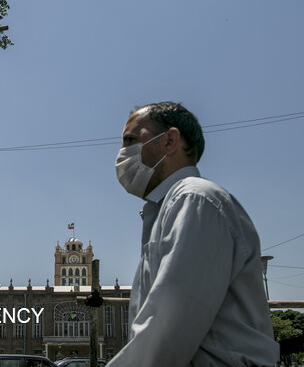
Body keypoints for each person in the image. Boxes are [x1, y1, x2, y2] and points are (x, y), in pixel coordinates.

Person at [108, 102, 279, 367]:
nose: (123, 153)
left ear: (169, 141)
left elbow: (166, 330)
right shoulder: (167, 209)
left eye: (131, 140)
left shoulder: (195, 200)